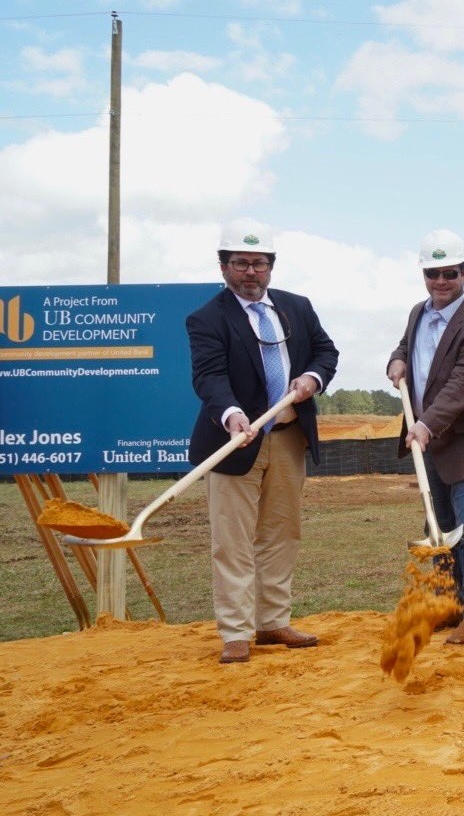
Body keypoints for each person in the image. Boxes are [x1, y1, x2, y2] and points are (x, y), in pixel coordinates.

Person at [186, 218, 339, 664]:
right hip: (235, 441)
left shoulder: (298, 307)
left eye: (259, 263)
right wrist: (232, 415)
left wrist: (312, 378)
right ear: (223, 266)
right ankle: (236, 632)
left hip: (289, 437)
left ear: (271, 266)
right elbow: (209, 377)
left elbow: (327, 353)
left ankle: (272, 621)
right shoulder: (208, 318)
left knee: (280, 533)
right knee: (232, 540)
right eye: (240, 263)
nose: (250, 272)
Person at [386, 229, 464, 645]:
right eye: (433, 273)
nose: (441, 281)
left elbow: (462, 386)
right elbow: (406, 347)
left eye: (449, 273)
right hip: (431, 443)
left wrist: (426, 423)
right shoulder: (419, 312)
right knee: (438, 527)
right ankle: (446, 606)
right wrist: (397, 361)